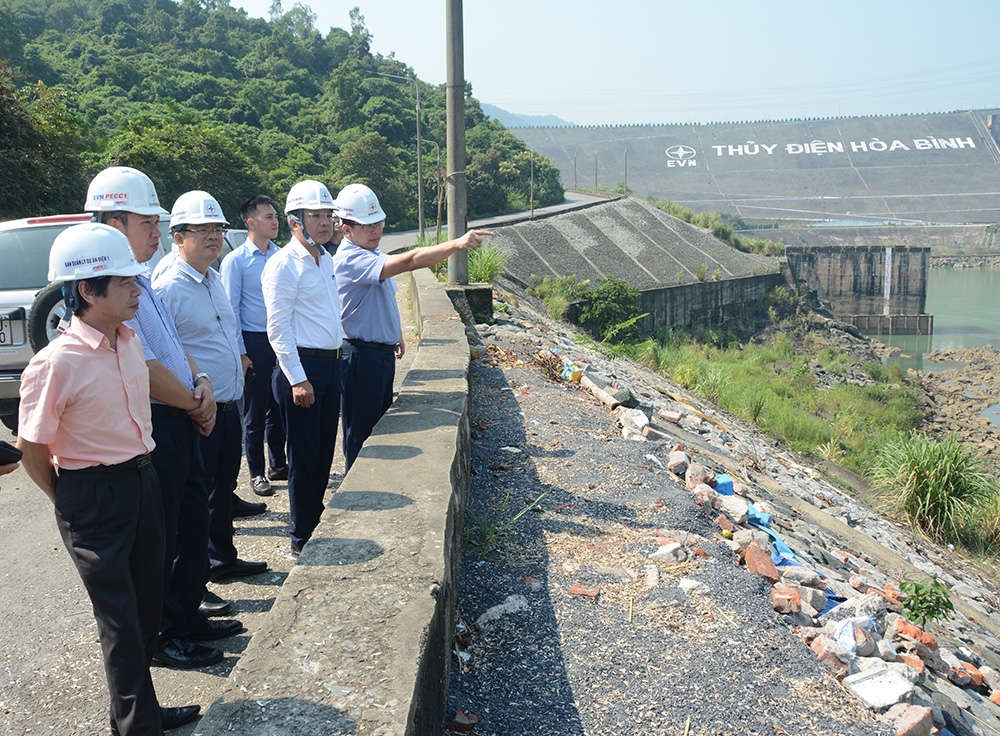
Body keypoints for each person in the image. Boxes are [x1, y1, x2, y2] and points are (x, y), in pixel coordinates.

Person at [16, 223, 200, 735]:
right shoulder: (56, 364)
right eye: (125, 283)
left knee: (145, 610)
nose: (137, 290)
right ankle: (137, 727)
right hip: (91, 495)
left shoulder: (129, 340)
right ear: (87, 291)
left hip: (142, 482)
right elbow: (32, 448)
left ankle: (139, 710)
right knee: (119, 621)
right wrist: (68, 499)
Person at [85, 167, 239, 669]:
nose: (157, 232)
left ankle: (187, 612)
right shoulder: (113, 293)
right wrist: (196, 402)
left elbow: (175, 349)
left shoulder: (143, 283)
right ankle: (165, 633)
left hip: (182, 415)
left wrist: (204, 384)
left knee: (192, 526)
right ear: (112, 222)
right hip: (158, 422)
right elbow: (146, 368)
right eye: (148, 222)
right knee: (167, 537)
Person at [332, 183, 493, 472]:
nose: (375, 230)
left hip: (377, 354)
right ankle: (356, 488)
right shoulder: (349, 259)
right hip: (360, 357)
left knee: (380, 428)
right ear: (346, 230)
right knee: (362, 431)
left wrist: (396, 334)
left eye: (378, 223)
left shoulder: (371, 255)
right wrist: (457, 243)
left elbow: (382, 300)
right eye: (367, 225)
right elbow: (411, 260)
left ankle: (374, 481)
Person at [154, 190, 269, 586]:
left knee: (222, 491)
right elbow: (165, 352)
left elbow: (227, 329)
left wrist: (239, 358)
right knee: (196, 501)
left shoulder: (212, 277)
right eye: (200, 230)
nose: (212, 237)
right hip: (196, 411)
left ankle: (223, 559)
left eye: (217, 228)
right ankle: (195, 584)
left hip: (228, 405)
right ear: (177, 236)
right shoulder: (169, 287)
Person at [261, 180, 344, 555]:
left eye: (328, 215)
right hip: (302, 371)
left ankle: (314, 516)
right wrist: (298, 379)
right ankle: (300, 536)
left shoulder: (325, 259)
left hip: (330, 365)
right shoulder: (283, 264)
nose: (325, 222)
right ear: (295, 221)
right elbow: (278, 329)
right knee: (304, 456)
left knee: (325, 451)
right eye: (316, 216)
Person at [220, 195, 287, 497]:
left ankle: (279, 463)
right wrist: (241, 352)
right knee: (255, 411)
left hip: (279, 338)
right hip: (254, 341)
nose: (275, 221)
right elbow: (230, 310)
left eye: (275, 216)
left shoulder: (281, 255)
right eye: (269, 217)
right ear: (251, 222)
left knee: (279, 405)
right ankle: (257, 472)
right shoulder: (236, 261)